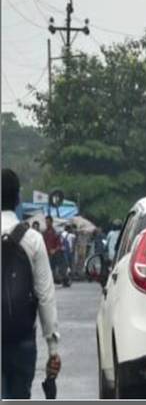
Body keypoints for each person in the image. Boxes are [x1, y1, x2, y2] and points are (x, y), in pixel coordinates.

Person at [2, 169, 61, 399]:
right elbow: (45, 295)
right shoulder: (33, 239)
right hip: (23, 339)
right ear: (18, 198)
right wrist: (53, 348)